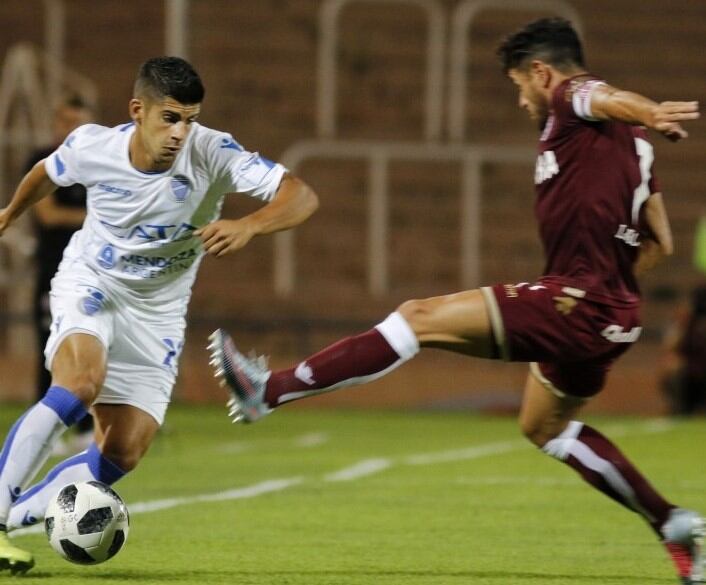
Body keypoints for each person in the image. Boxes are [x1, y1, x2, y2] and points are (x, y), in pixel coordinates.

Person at [209, 18, 703, 584]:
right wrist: (610, 285)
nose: (521, 101)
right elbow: (661, 242)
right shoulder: (634, 149)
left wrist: (650, 110)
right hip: (616, 314)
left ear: (541, 73)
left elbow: (602, 95)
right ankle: (674, 523)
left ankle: (267, 390)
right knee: (545, 427)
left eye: (519, 85)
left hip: (575, 301)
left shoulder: (572, 99)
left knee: (417, 318)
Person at [0, 56, 318, 572]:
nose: (181, 132)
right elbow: (46, 172)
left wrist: (252, 224)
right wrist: (11, 212)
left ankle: (12, 519)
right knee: (80, 382)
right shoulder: (94, 146)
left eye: (190, 119)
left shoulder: (212, 151)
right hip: (93, 283)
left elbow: (300, 194)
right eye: (170, 118)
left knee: (121, 453)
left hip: (157, 315)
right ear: (138, 110)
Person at [26, 95, 95, 454]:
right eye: (66, 120)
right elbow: (48, 215)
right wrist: (96, 218)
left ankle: (85, 428)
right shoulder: (44, 162)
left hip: (94, 272)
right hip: (53, 270)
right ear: (56, 122)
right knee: (49, 348)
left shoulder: (98, 165)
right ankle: (45, 429)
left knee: (89, 347)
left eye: (78, 122)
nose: (71, 128)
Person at [661, 286, 706, 415]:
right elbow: (670, 346)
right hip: (690, 371)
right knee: (673, 367)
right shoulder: (686, 324)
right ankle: (679, 406)